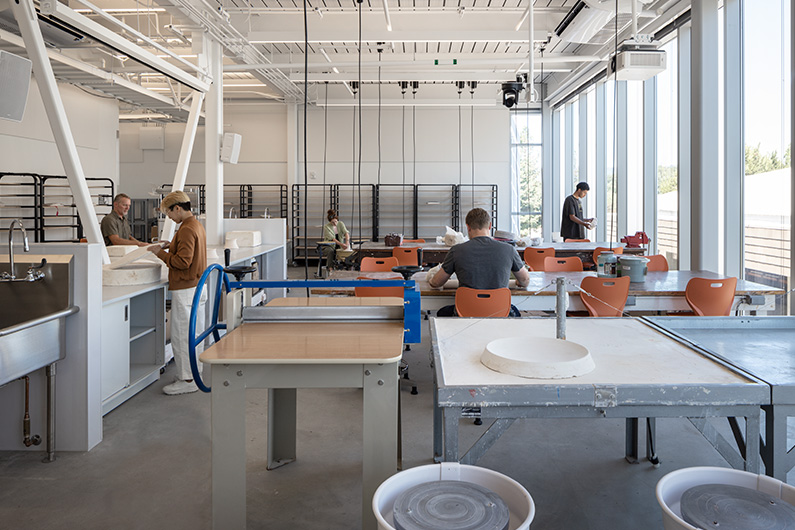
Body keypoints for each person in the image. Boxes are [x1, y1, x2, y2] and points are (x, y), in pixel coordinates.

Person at [148, 191, 207, 395]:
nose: (170, 218)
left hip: (186, 288)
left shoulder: (185, 229)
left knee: (182, 335)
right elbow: (186, 252)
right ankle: (195, 372)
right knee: (195, 333)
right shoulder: (195, 225)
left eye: (169, 213)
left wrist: (160, 253)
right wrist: (170, 245)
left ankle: (187, 379)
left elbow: (183, 262)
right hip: (198, 286)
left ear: (177, 208)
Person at [429, 208, 530, 317]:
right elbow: (525, 280)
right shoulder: (509, 250)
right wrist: (519, 282)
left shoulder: (456, 251)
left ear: (468, 227)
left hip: (466, 312)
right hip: (499, 312)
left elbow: (436, 283)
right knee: (515, 311)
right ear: (490, 226)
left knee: (442, 312)